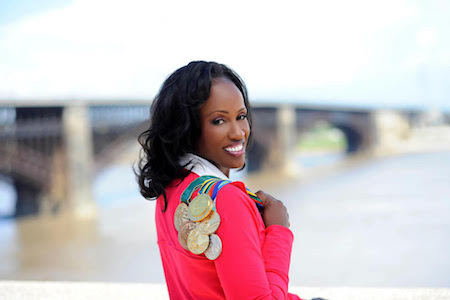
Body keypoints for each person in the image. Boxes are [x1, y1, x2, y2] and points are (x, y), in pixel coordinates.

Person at [137, 61, 302, 299]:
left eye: (241, 116)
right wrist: (278, 230)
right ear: (188, 127)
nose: (238, 132)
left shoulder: (171, 188)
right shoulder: (226, 199)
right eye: (219, 120)